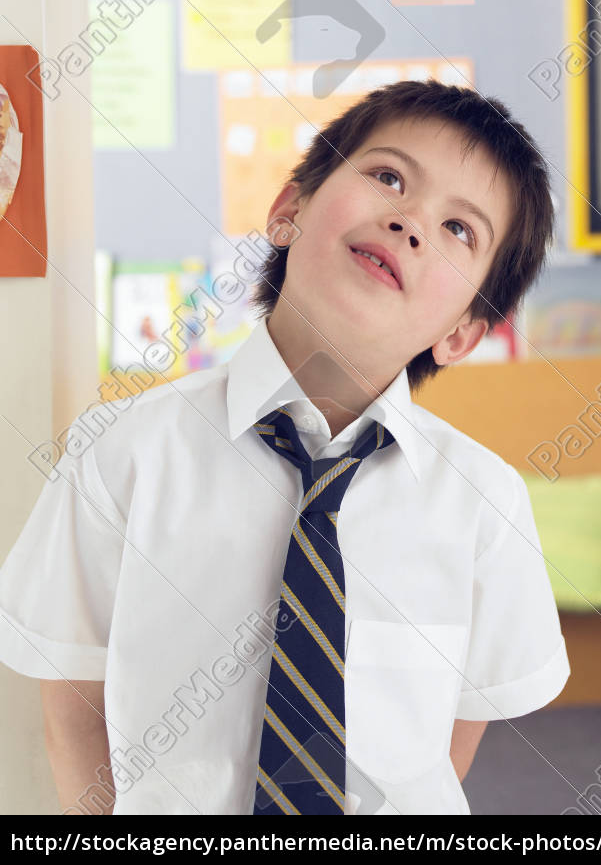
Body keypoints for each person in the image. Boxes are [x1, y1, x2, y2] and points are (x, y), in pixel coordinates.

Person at [0, 81, 569, 815]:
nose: (409, 222)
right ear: (288, 211)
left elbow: (453, 732)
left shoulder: (482, 500)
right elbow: (74, 697)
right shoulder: (121, 453)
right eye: (388, 177)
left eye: (460, 229)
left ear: (461, 332)